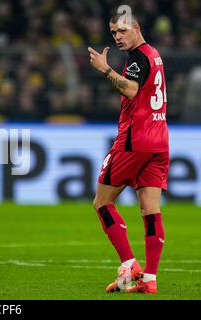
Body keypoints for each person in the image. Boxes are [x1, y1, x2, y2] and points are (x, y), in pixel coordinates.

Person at [88, 11, 169, 294]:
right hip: (159, 142)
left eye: (122, 30)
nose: (118, 37)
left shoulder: (138, 58)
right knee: (150, 210)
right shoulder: (154, 54)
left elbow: (132, 90)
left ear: (136, 27)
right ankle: (148, 281)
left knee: (102, 203)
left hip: (134, 141)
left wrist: (105, 70)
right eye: (113, 33)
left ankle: (129, 263)